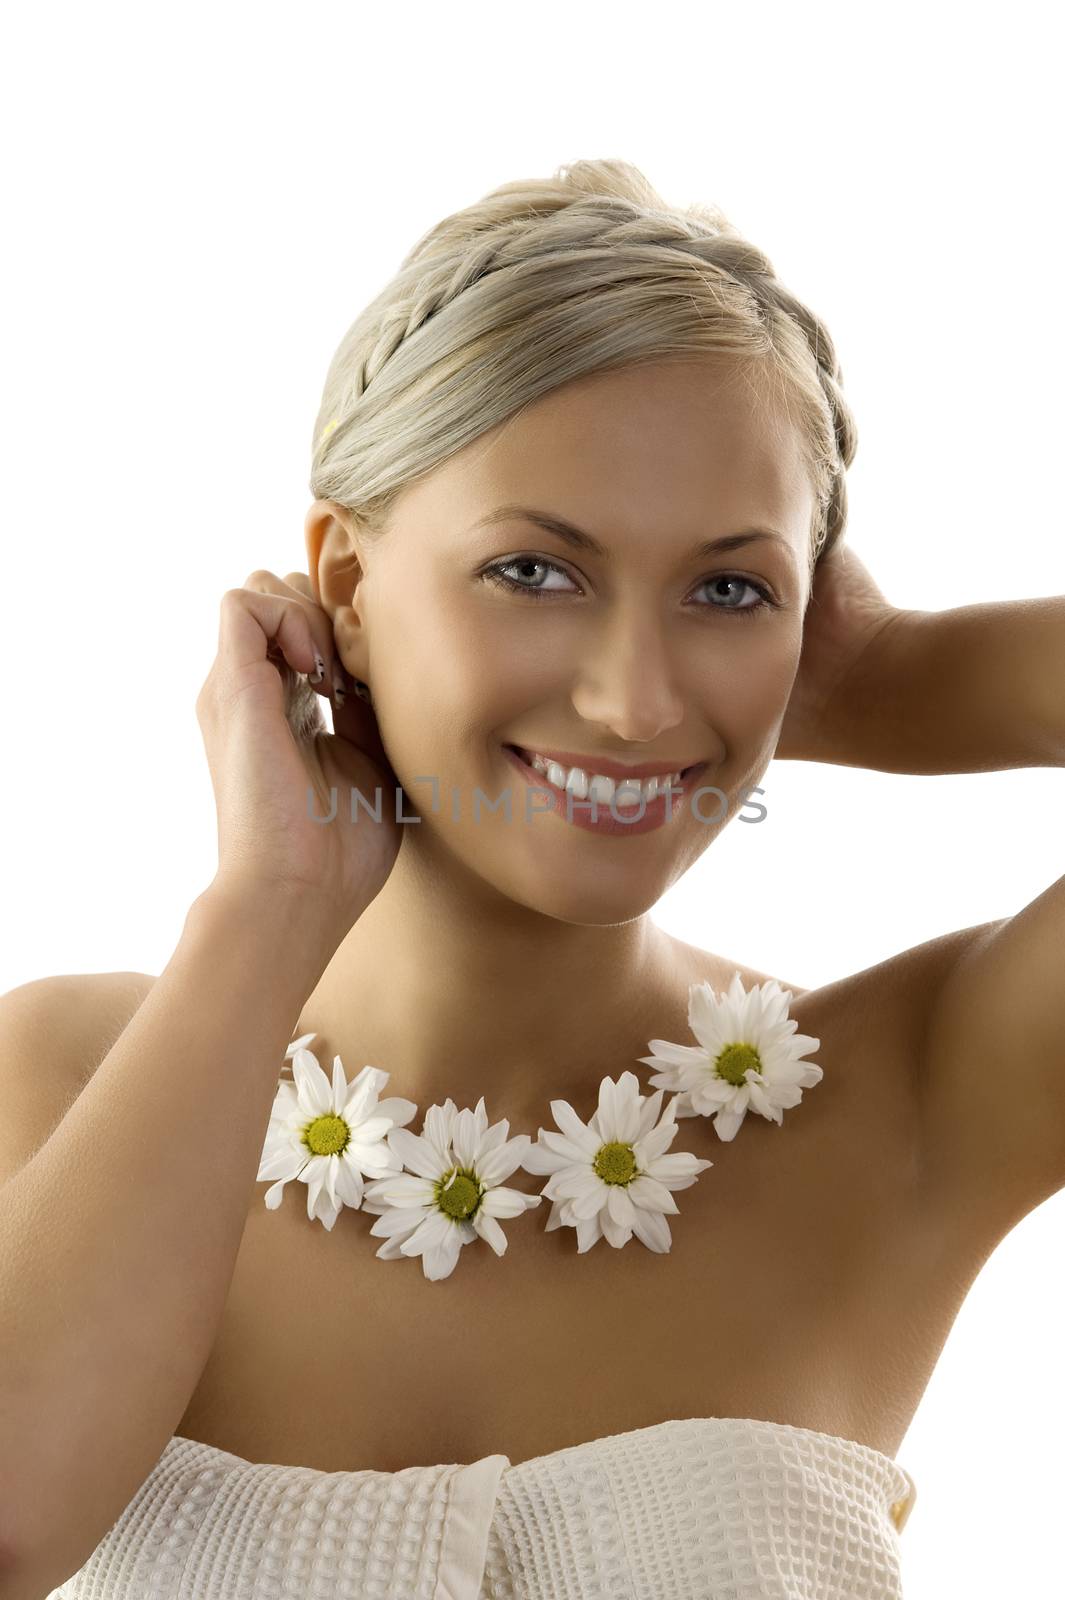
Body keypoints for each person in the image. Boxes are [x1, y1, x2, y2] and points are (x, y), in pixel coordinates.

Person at [3, 157, 1062, 1600]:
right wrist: (265, 914)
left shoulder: (923, 1090)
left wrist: (897, 677)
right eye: (535, 571)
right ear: (349, 584)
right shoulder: (52, 1080)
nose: (634, 702)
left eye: (729, 589)